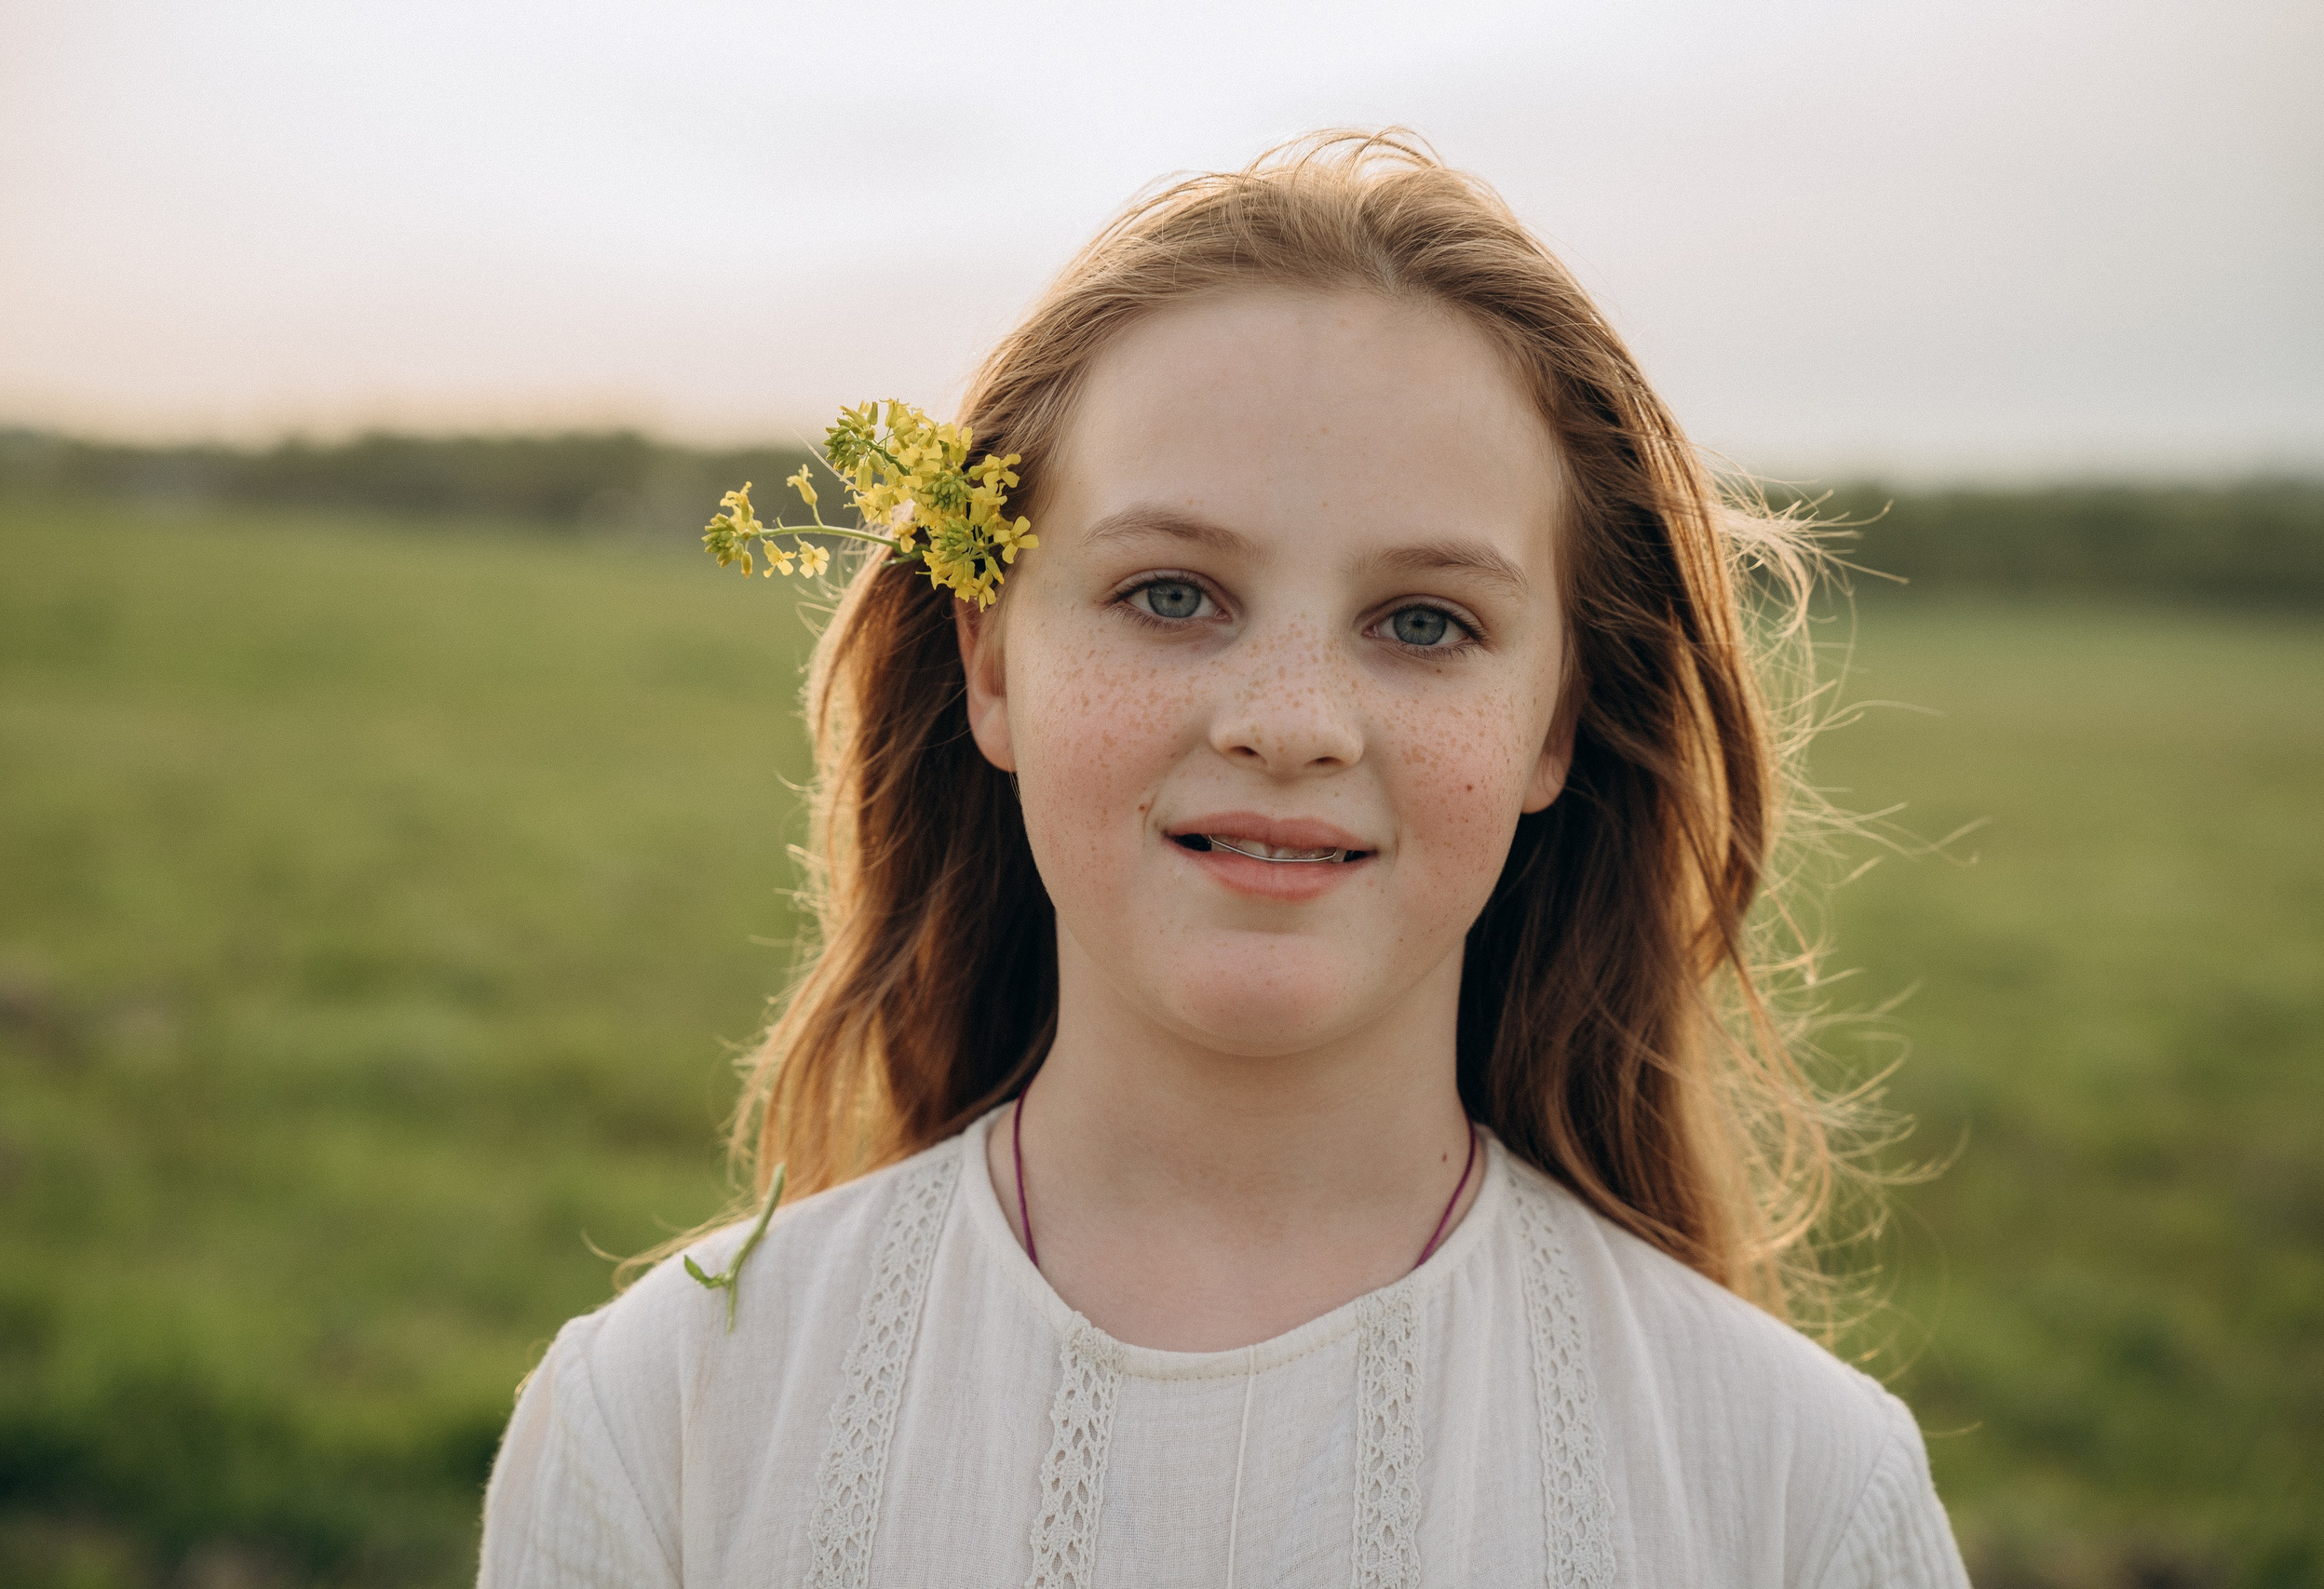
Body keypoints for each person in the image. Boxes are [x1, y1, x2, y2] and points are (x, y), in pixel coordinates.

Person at [478, 130, 1970, 1587]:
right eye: (1172, 593)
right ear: (993, 666)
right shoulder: (658, 1423)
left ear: (1553, 726)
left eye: (1427, 622)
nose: (1291, 724)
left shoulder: (1800, 1493)